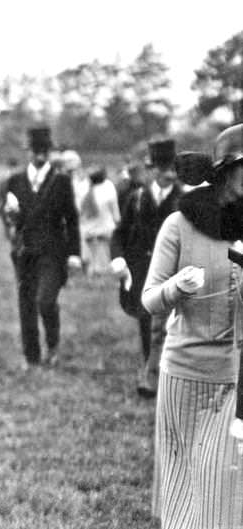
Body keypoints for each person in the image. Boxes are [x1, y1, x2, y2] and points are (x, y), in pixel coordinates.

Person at [145, 123, 243, 529]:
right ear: (227, 172)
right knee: (191, 473)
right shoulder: (179, 225)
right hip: (183, 368)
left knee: (228, 474)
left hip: (236, 374)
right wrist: (176, 290)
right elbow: (150, 300)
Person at [2, 127, 82, 368]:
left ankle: (53, 344)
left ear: (49, 152)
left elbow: (72, 219)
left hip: (53, 252)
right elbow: (11, 219)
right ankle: (32, 356)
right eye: (36, 151)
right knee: (26, 304)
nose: (39, 156)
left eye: (44, 151)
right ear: (29, 152)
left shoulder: (61, 181)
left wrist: (74, 254)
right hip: (25, 252)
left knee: (46, 301)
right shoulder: (15, 181)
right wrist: (11, 217)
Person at [110, 139, 181, 398]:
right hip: (142, 271)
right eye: (163, 168)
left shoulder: (184, 200)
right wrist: (117, 259)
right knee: (145, 321)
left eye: (173, 168)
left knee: (168, 325)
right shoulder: (137, 198)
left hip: (174, 272)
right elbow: (119, 233)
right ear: (152, 170)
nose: (169, 174)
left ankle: (160, 376)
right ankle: (150, 371)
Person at [79, 166, 120, 279]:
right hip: (105, 230)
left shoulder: (84, 189)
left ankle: (92, 274)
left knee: (91, 257)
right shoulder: (109, 188)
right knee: (103, 257)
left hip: (88, 231)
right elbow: (115, 211)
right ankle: (101, 274)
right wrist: (117, 221)